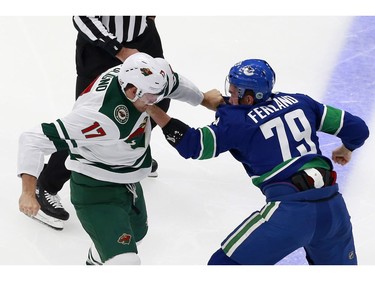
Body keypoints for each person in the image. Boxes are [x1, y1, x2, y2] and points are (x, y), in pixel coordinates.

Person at [145, 58, 370, 265]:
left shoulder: (235, 122)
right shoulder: (301, 102)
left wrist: (153, 110)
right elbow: (358, 129)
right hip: (334, 211)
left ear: (249, 97)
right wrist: (346, 148)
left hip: (290, 214)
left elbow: (193, 145)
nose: (229, 95)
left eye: (233, 92)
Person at [17, 52, 223, 265]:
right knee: (125, 262)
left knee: (137, 236)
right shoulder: (99, 118)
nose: (155, 103)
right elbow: (32, 139)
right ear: (132, 91)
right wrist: (28, 193)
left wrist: (203, 99)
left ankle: (96, 259)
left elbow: (173, 82)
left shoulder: (144, 79)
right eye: (151, 98)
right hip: (96, 190)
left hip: (129, 179)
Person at [34, 16, 169, 230]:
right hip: (101, 49)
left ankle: (126, 156)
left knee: (157, 101)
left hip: (143, 41)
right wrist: (119, 50)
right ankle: (46, 184)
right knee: (92, 123)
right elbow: (82, 15)